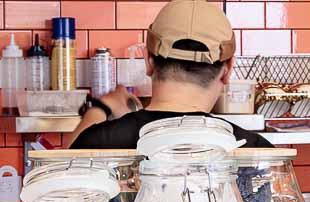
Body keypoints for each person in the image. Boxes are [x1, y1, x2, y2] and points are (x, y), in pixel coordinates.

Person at [70, 0, 271, 149]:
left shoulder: (97, 143)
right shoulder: (256, 151)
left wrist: (100, 108)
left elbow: (61, 184)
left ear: (148, 61)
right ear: (227, 70)